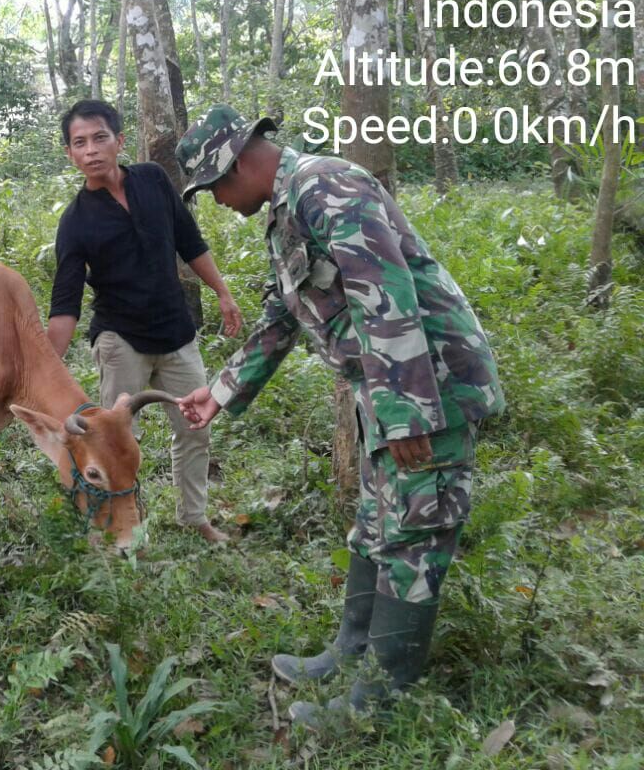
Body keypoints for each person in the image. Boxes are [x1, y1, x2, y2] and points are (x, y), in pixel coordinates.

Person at [174, 104, 504, 723]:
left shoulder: (327, 186)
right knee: (377, 523)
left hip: (428, 388)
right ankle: (352, 651)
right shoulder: (289, 208)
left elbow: (387, 297)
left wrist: (407, 416)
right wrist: (219, 391)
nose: (215, 202)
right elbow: (282, 314)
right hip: (389, 389)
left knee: (413, 534)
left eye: (215, 186)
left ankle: (377, 703)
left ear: (241, 161)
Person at [46, 99, 243, 545]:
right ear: (70, 154)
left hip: (177, 334)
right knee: (112, 441)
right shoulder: (75, 222)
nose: (92, 150)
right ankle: (118, 524)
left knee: (196, 427)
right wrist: (40, 367)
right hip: (121, 341)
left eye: (99, 138)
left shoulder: (153, 181)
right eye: (80, 143)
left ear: (119, 140)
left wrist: (224, 292)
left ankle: (194, 518)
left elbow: (189, 242)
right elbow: (65, 306)